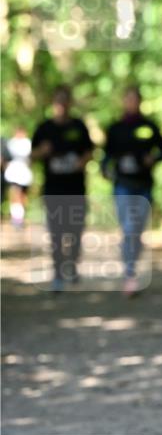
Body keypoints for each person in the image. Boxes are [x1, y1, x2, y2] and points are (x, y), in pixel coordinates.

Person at [101, 86, 162, 297]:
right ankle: (130, 274)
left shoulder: (149, 127)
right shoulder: (115, 128)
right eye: (127, 98)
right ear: (123, 101)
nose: (131, 102)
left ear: (140, 101)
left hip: (144, 185)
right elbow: (106, 155)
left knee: (137, 230)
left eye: (135, 99)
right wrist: (105, 169)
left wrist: (153, 158)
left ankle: (132, 267)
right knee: (128, 227)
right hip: (122, 184)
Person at [31, 86, 94, 290]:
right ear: (53, 103)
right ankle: (58, 272)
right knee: (56, 232)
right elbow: (32, 156)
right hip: (53, 190)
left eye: (65, 100)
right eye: (58, 100)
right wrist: (43, 151)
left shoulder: (79, 126)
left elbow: (90, 151)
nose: (62, 105)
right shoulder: (44, 128)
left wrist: (81, 161)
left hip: (76, 189)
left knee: (74, 231)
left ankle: (72, 265)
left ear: (70, 103)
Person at [4, 127, 33, 227]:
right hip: (13, 173)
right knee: (15, 194)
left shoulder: (28, 143)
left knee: (23, 196)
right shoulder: (11, 143)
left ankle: (20, 217)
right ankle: (16, 219)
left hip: (24, 174)